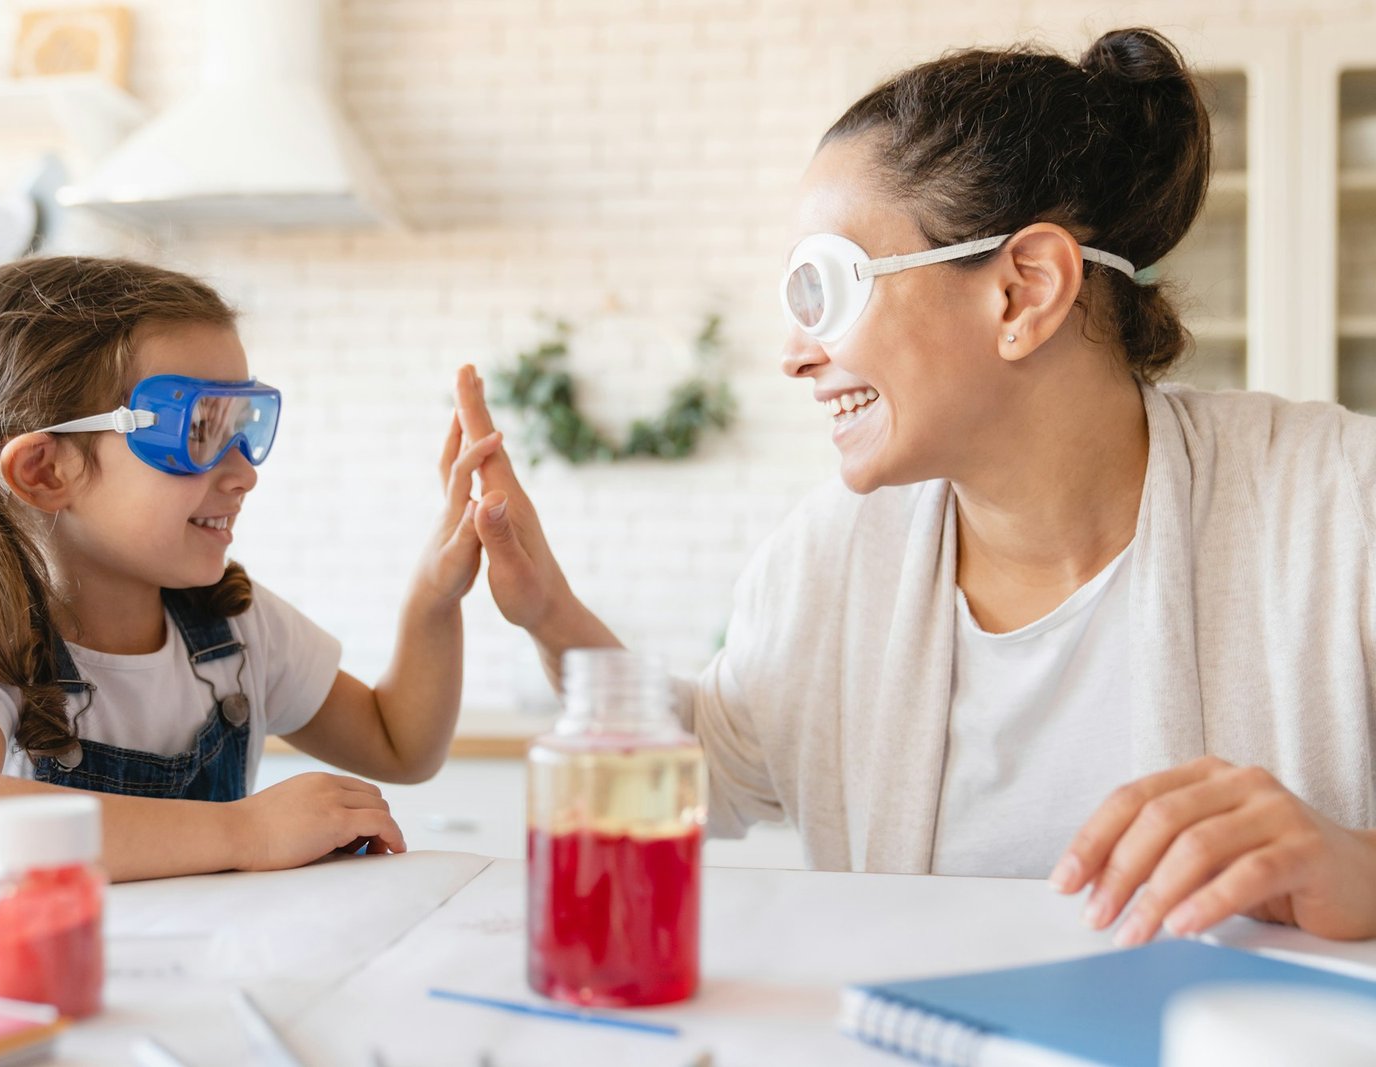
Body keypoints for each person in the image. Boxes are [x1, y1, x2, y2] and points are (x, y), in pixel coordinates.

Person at [451, 28, 1376, 945]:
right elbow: (702, 771)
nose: (794, 353)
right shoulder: (832, 560)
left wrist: (1356, 869)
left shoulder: (1341, 506)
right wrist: (548, 608)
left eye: (827, 290)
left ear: (1022, 292)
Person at [0, 256, 500, 882]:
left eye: (244, 426)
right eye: (198, 431)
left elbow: (401, 745)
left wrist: (434, 599)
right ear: (44, 471)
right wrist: (244, 832)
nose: (245, 473)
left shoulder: (236, 626)